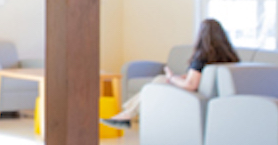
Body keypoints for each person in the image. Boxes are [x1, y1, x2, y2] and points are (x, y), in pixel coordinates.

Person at [101, 18, 240, 129]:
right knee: (159, 81)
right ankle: (127, 114)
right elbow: (205, 78)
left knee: (159, 81)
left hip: (194, 97)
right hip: (213, 98)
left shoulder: (201, 56)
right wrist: (181, 77)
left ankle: (127, 114)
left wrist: (172, 78)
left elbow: (191, 85)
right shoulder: (230, 57)